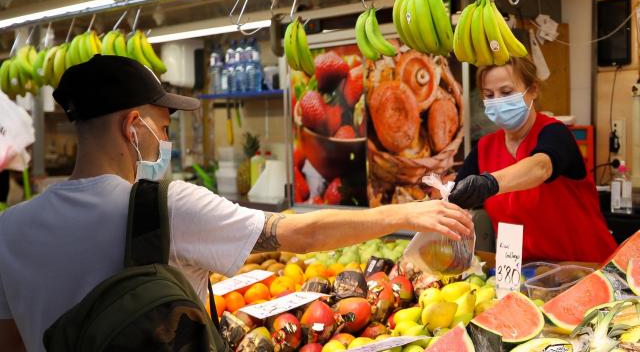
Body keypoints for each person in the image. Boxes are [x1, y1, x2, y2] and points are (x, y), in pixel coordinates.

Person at [0, 55, 472, 352]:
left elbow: (12, 340)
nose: (165, 139)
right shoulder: (164, 207)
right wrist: (405, 213)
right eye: (163, 127)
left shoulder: (10, 230)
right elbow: (295, 233)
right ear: (132, 127)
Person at [449, 57, 616, 263]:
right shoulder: (485, 148)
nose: (497, 101)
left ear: (533, 90)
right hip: (526, 273)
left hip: (585, 265)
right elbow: (453, 196)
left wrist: (489, 183)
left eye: (506, 92)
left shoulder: (555, 133)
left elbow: (540, 167)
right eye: (489, 95)